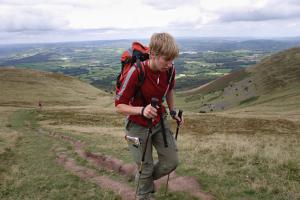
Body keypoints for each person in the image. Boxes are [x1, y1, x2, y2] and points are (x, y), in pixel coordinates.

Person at [115, 32, 183, 200]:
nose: (170, 64)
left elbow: (169, 90)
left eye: (172, 60)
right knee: (145, 167)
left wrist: (173, 111)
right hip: (137, 125)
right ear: (153, 55)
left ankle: (143, 179)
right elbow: (119, 106)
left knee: (171, 162)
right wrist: (141, 110)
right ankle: (144, 195)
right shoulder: (136, 72)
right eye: (166, 59)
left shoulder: (169, 70)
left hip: (159, 121)